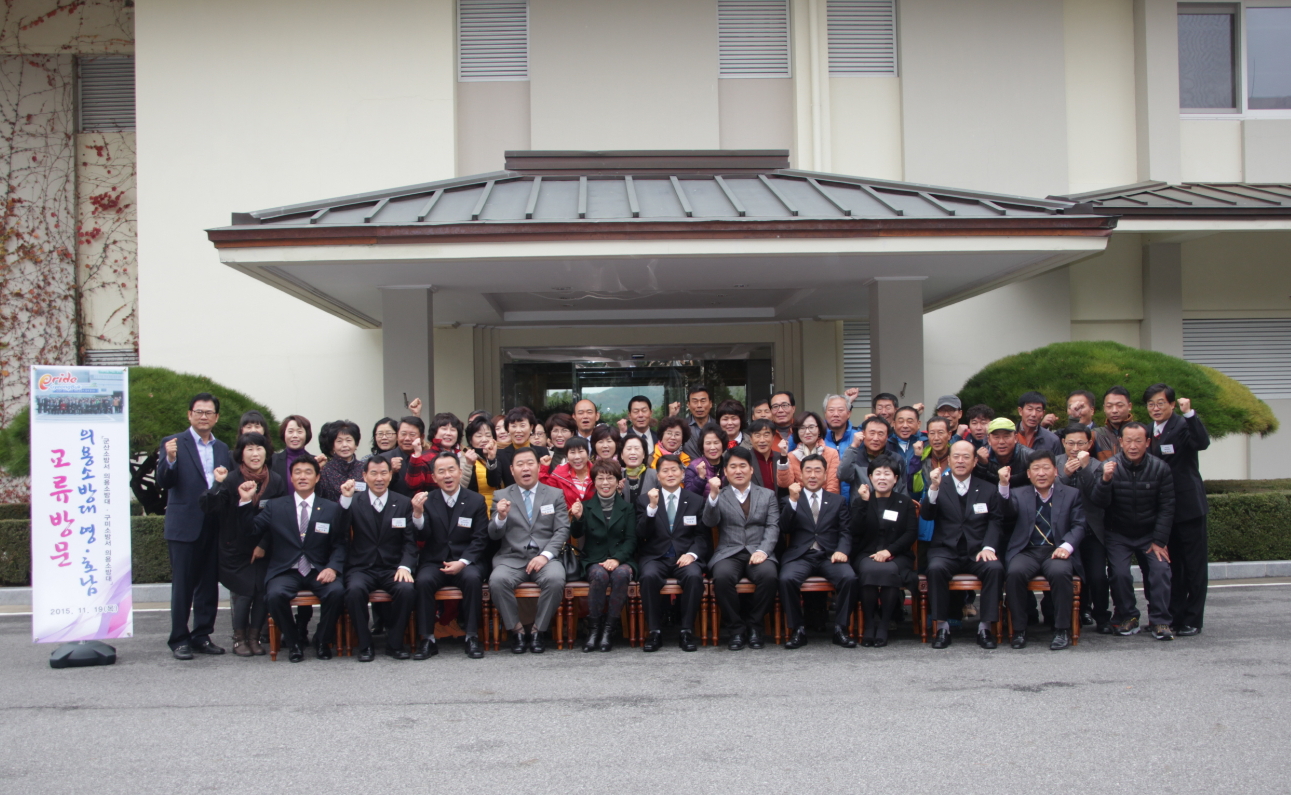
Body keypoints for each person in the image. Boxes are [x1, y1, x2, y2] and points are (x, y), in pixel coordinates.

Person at [243, 456, 348, 662]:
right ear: (291, 478)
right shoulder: (275, 506)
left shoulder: (331, 508)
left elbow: (340, 543)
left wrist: (332, 568)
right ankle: (293, 642)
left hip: (318, 569)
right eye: (297, 472)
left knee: (336, 592)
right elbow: (251, 530)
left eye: (308, 472)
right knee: (274, 596)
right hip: (286, 569)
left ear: (317, 477)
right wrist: (246, 502)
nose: (302, 477)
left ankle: (322, 640)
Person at [157, 393, 232, 660]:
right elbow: (163, 482)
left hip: (213, 524)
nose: (203, 416)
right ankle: (179, 639)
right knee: (183, 585)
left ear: (216, 417)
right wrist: (170, 459)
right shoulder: (173, 443)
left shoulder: (222, 448)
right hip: (184, 525)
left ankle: (202, 635)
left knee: (208, 584)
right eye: (198, 412)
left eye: (209, 412)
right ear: (189, 414)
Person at [1089, 423, 1176, 640]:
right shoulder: (1108, 465)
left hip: (1149, 534)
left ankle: (1160, 620)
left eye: (1138, 441)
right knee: (1119, 574)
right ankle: (1127, 616)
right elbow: (1098, 502)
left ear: (1148, 442)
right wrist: (1105, 480)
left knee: (1160, 570)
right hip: (1118, 533)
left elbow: (1167, 507)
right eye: (1128, 441)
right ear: (1121, 442)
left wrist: (1159, 540)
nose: (1133, 446)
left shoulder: (1160, 468)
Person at [201, 431, 284, 657]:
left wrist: (263, 545)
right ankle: (239, 639)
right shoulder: (231, 479)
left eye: (259, 448)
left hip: (264, 547)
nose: (255, 454)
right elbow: (210, 507)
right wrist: (217, 483)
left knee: (261, 592)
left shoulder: (276, 481)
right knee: (244, 593)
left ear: (266, 452)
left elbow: (279, 517)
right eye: (249, 449)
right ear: (241, 454)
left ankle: (254, 638)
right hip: (234, 548)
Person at [921, 440, 1005, 650]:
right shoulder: (939, 485)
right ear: (948, 460)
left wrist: (988, 547)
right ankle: (942, 627)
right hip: (945, 550)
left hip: (977, 551)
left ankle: (985, 628)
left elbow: (995, 521)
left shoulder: (987, 488)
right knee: (935, 569)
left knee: (995, 568)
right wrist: (933, 487)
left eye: (966, 457)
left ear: (975, 461)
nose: (960, 461)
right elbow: (927, 515)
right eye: (956, 456)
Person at [999, 450, 1086, 650]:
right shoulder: (1018, 493)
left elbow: (1079, 525)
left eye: (1046, 468)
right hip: (1027, 550)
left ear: (1055, 471)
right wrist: (1004, 485)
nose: (1041, 473)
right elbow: (1005, 513)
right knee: (1015, 572)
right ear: (1028, 474)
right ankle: (1019, 630)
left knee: (1060, 572)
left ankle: (1061, 629)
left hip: (1056, 550)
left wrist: (1066, 547)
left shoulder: (1071, 494)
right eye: (1036, 469)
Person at [488, 448, 570, 653]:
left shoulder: (554, 494)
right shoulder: (501, 496)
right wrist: (501, 518)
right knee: (497, 580)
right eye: (520, 464)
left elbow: (562, 529)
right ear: (512, 470)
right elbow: (493, 535)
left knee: (555, 579)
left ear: (539, 466)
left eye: (530, 463)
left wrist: (545, 556)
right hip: (511, 558)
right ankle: (516, 631)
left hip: (545, 558)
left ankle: (537, 631)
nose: (525, 468)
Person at [339, 457, 421, 662]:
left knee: (406, 589)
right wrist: (345, 501)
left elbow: (410, 542)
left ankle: (394, 643)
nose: (379, 478)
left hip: (392, 567)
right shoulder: (354, 502)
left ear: (390, 475)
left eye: (384, 473)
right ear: (364, 476)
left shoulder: (403, 503)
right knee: (354, 591)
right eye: (373, 473)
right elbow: (339, 531)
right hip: (361, 567)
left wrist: (405, 567)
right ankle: (365, 644)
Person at [1145, 384, 1211, 636]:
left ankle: (1193, 619)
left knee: (1194, 566)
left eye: (1161, 403)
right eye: (1151, 404)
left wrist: (1190, 414)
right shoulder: (1148, 430)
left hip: (1188, 507)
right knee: (1173, 567)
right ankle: (1173, 616)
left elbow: (1202, 443)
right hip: (1164, 510)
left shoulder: (1183, 425)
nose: (1156, 408)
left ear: (1172, 404)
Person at [413, 452, 490, 659]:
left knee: (472, 579)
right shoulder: (428, 500)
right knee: (423, 581)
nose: (447, 475)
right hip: (435, 560)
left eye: (451, 470)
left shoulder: (475, 500)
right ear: (434, 477)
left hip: (466, 560)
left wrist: (462, 562)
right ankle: (427, 639)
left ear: (460, 472)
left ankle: (472, 636)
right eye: (441, 471)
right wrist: (417, 515)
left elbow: (480, 538)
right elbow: (422, 535)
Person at [703, 446, 780, 650]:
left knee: (769, 576)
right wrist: (713, 495)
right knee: (722, 578)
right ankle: (736, 629)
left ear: (751, 469)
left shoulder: (768, 495)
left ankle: (755, 626)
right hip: (729, 551)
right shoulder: (720, 494)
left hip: (758, 550)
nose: (738, 471)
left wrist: (763, 551)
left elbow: (773, 526)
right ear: (725, 471)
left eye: (743, 466)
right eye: (733, 466)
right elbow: (709, 522)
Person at [777, 454, 857, 649]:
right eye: (808, 471)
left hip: (829, 556)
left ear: (825, 475)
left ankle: (840, 629)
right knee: (786, 579)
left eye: (817, 471)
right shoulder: (789, 499)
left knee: (849, 578)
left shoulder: (837, 501)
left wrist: (842, 550)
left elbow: (845, 531)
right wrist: (793, 501)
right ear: (801, 475)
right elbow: (784, 528)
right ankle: (798, 630)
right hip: (801, 556)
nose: (812, 475)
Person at [636, 454, 708, 652]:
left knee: (694, 576)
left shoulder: (695, 500)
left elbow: (702, 536)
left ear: (682, 473)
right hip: (655, 556)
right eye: (665, 471)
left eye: (674, 470)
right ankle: (654, 632)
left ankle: (686, 631)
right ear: (658, 476)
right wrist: (652, 508)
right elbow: (641, 534)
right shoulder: (644, 500)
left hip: (684, 557)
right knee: (648, 577)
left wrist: (692, 555)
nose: (670, 474)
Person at [850, 454, 918, 647]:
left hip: (897, 554)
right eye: (877, 473)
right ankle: (870, 623)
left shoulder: (905, 502)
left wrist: (889, 552)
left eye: (887, 474)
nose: (882, 478)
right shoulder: (862, 500)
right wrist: (863, 503)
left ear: (895, 478)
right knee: (869, 570)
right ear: (870, 477)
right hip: (867, 553)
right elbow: (854, 530)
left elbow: (911, 533)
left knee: (888, 570)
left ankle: (884, 624)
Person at [571, 460, 638, 652]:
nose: (605, 483)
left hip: (621, 559)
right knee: (599, 575)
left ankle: (609, 629)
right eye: (600, 478)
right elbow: (576, 534)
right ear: (594, 482)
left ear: (618, 481)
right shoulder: (586, 506)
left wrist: (617, 559)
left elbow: (631, 540)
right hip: (594, 559)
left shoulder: (628, 508)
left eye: (610, 478)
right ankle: (594, 630)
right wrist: (577, 518)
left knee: (621, 574)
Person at [1057, 423, 1112, 633]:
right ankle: (1074, 615)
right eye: (1070, 443)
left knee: (1097, 576)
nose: (1075, 448)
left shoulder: (1098, 466)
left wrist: (1086, 469)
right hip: (1064, 531)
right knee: (1068, 574)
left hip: (1091, 530)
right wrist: (1065, 475)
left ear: (1089, 444)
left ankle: (1102, 617)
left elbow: (1100, 498)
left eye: (1080, 443)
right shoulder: (1055, 463)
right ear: (1063, 442)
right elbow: (1051, 493)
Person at [841, 416, 908, 502]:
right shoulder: (854, 456)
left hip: (890, 507)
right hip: (861, 506)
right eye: (872, 433)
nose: (876, 438)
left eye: (880, 434)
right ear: (863, 434)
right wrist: (854, 446)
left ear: (887, 437)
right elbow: (843, 476)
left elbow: (903, 490)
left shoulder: (896, 459)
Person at [777, 411, 841, 493]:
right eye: (802, 428)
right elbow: (784, 484)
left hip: (826, 499)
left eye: (811, 427)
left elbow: (833, 487)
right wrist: (783, 456)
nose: (807, 432)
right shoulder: (792, 456)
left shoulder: (832, 453)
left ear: (819, 430)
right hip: (800, 499)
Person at [495, 407, 550, 487]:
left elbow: (548, 482)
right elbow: (494, 482)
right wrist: (491, 459)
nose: (518, 430)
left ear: (531, 427)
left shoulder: (542, 451)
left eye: (522, 425)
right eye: (514, 426)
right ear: (508, 428)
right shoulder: (501, 454)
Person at [974, 417, 1034, 488]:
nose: (1001, 442)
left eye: (1006, 436)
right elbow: (977, 486)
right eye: (996, 437)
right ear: (989, 440)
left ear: (1015, 438)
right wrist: (982, 465)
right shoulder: (980, 456)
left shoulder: (1029, 456)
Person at [541, 436, 595, 507]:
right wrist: (544, 468)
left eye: (581, 451)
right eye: (572, 452)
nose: (577, 457)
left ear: (588, 453)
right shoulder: (558, 475)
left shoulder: (598, 473)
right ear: (566, 456)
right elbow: (546, 494)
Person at [460, 415, 500, 511]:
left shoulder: (498, 457)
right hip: (475, 510)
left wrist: (491, 458)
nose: (484, 439)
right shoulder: (464, 458)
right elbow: (463, 488)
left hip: (497, 510)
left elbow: (494, 482)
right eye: (479, 436)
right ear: (470, 440)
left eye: (488, 435)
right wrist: (469, 464)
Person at [317, 420, 364, 502]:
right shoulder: (325, 471)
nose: (344, 445)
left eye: (348, 440)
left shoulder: (365, 468)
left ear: (356, 444)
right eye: (339, 441)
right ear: (333, 446)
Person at [745, 418, 786, 495]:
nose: (762, 440)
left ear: (773, 437)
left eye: (766, 435)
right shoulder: (745, 460)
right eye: (757, 435)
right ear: (751, 439)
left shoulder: (781, 458)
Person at [684, 426, 729, 495]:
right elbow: (688, 495)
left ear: (723, 444)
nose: (712, 447)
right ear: (702, 446)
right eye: (708, 443)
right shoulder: (694, 467)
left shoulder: (729, 465)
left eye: (716, 443)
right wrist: (700, 478)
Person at [1015, 391, 1063, 456]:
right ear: (1020, 411)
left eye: (1038, 410)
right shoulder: (1009, 435)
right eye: (1030, 409)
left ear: (1043, 413)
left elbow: (1058, 461)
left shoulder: (1052, 440)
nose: (1034, 414)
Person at [388, 415, 426, 497]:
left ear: (422, 437)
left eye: (412, 434)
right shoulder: (385, 459)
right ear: (397, 436)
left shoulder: (428, 459)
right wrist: (390, 472)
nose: (407, 438)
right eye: (403, 434)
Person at [1096, 386, 1134, 460]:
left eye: (1119, 405)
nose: (1114, 410)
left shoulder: (1142, 432)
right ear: (1104, 408)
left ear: (1129, 406)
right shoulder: (1096, 435)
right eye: (1109, 406)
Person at [619, 435, 658, 506]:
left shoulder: (655, 475)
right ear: (622, 455)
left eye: (637, 449)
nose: (633, 452)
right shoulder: (617, 476)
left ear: (644, 454)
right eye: (629, 449)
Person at [681, 386, 716, 458]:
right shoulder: (681, 427)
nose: (699, 405)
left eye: (703, 401)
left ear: (710, 404)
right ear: (688, 405)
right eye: (695, 401)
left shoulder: (719, 426)